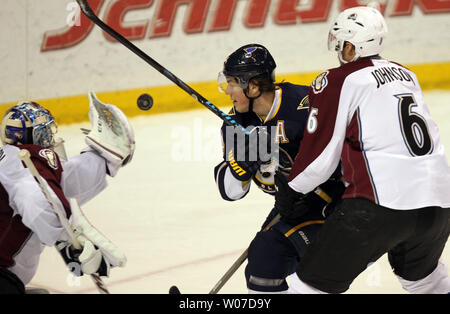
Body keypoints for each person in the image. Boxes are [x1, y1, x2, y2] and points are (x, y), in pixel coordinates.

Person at [275, 6, 450, 294]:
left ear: (350, 44)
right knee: (424, 280)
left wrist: (292, 189)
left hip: (380, 205)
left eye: (341, 42)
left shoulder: (337, 79)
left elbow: (320, 157)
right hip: (439, 203)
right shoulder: (407, 74)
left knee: (308, 286)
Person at [213, 44, 345, 293]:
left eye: (232, 83)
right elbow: (231, 192)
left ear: (252, 86)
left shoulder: (305, 105)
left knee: (270, 257)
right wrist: (240, 162)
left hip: (337, 206)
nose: (228, 91)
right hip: (291, 209)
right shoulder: (237, 124)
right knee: (262, 265)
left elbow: (346, 155)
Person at [0, 93, 135, 294]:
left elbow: (60, 185)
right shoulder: (25, 163)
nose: (50, 138)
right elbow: (36, 199)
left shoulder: (15, 163)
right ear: (29, 136)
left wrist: (105, 157)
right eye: (44, 132)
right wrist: (71, 240)